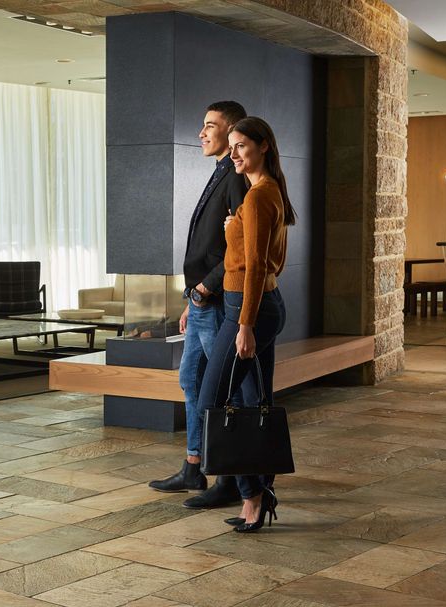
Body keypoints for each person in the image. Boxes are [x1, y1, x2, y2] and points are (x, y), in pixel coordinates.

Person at [195, 116, 295, 532]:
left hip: (247, 310)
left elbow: (255, 266)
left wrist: (245, 325)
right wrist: (234, 229)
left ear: (263, 146)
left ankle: (251, 495)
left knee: (212, 403)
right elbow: (273, 263)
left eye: (241, 146)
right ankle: (261, 489)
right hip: (264, 303)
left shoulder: (256, 198)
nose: (233, 153)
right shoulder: (269, 191)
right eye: (232, 146)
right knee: (255, 403)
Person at [148, 101, 248, 510]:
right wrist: (193, 298)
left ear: (232, 131)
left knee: (224, 392)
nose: (201, 133)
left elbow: (241, 244)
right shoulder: (220, 171)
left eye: (210, 126)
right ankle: (194, 465)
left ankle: (230, 479)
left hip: (218, 301)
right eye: (203, 125)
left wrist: (207, 287)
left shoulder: (236, 177)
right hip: (202, 302)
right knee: (190, 381)